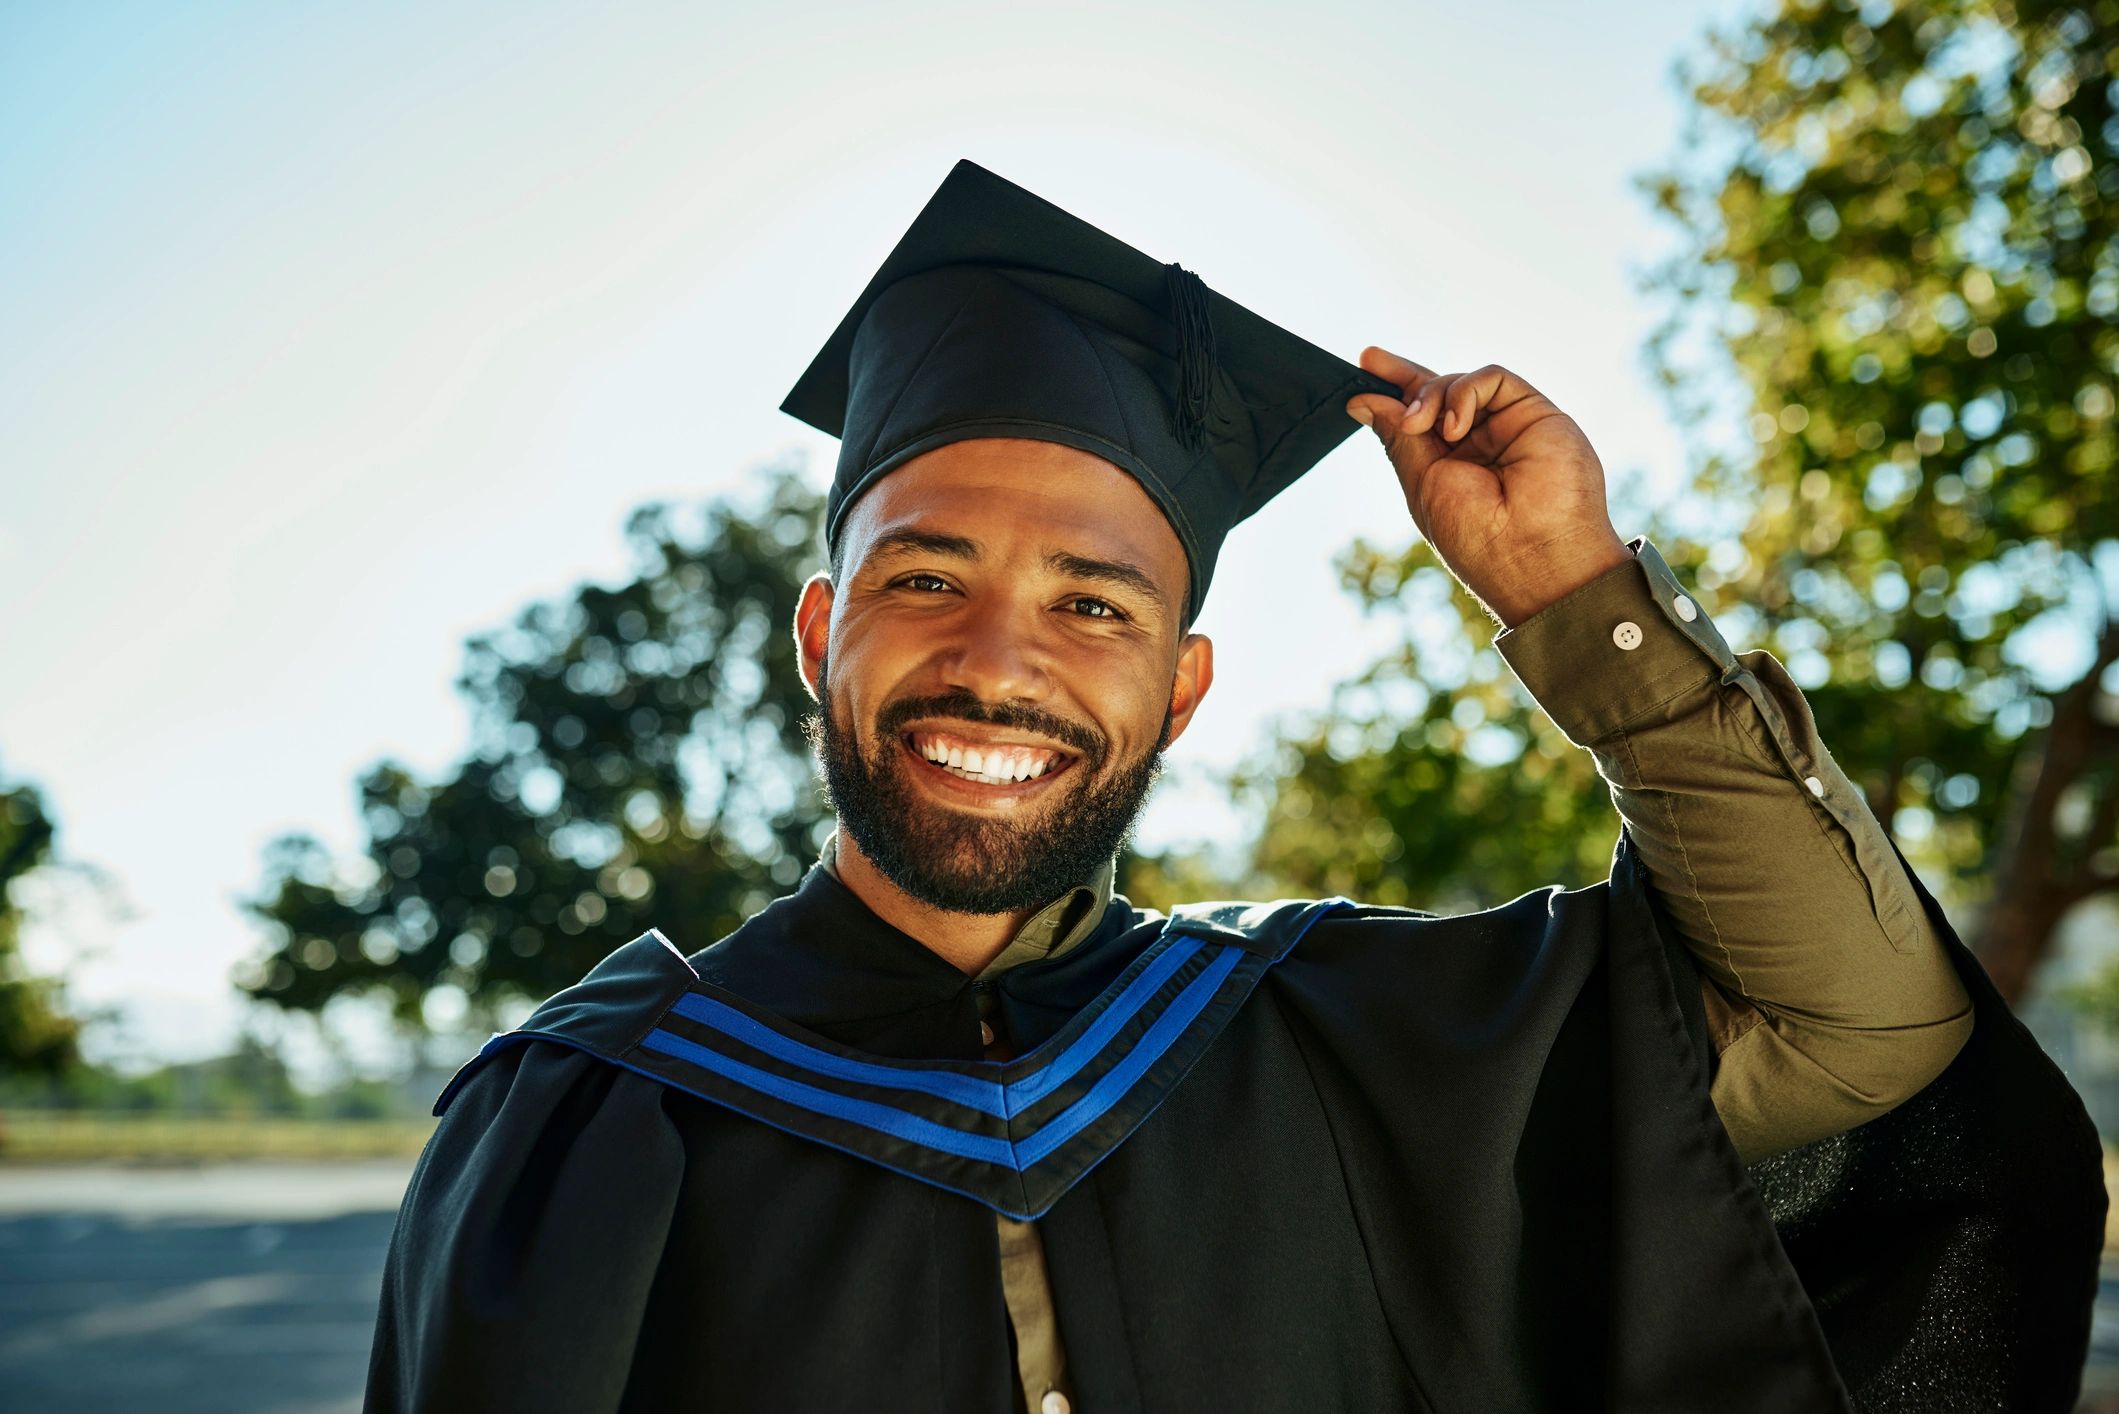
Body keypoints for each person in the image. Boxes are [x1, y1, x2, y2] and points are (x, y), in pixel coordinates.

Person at [364, 159, 2103, 1413]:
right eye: (922, 577)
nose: (997, 656)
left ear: (1182, 686)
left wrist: (1578, 605)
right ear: (822, 628)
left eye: (1095, 603)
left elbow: (1866, 1030)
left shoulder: (1351, 1042)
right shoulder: (589, 1115)